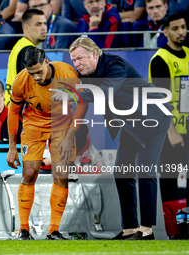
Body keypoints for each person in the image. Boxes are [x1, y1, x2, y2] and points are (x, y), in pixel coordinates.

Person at [62, 37, 172, 240]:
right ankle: (130, 229)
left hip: (155, 116)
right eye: (73, 60)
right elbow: (83, 104)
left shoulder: (116, 64)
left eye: (79, 58)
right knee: (121, 171)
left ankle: (146, 230)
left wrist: (74, 95)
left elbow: (104, 92)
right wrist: (70, 133)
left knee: (144, 170)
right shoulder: (86, 74)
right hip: (131, 123)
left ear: (94, 54)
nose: (76, 64)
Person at [6, 47, 87, 240]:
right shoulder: (21, 80)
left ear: (47, 62)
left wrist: (69, 137)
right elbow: (13, 111)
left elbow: (83, 104)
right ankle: (23, 230)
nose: (36, 77)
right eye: (32, 73)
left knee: (60, 175)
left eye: (39, 71)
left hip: (62, 122)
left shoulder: (67, 73)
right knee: (29, 173)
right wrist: (11, 147)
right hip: (34, 123)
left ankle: (54, 231)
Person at [148, 13, 189, 205]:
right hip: (169, 133)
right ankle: (173, 233)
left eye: (184, 27)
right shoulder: (160, 60)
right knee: (169, 180)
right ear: (166, 31)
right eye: (176, 28)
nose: (181, 32)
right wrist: (171, 132)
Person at [4, 9, 47, 106]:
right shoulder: (30, 51)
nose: (44, 28)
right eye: (38, 24)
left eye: (45, 23)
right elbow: (31, 88)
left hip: (11, 106)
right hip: (22, 112)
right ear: (26, 28)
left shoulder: (19, 45)